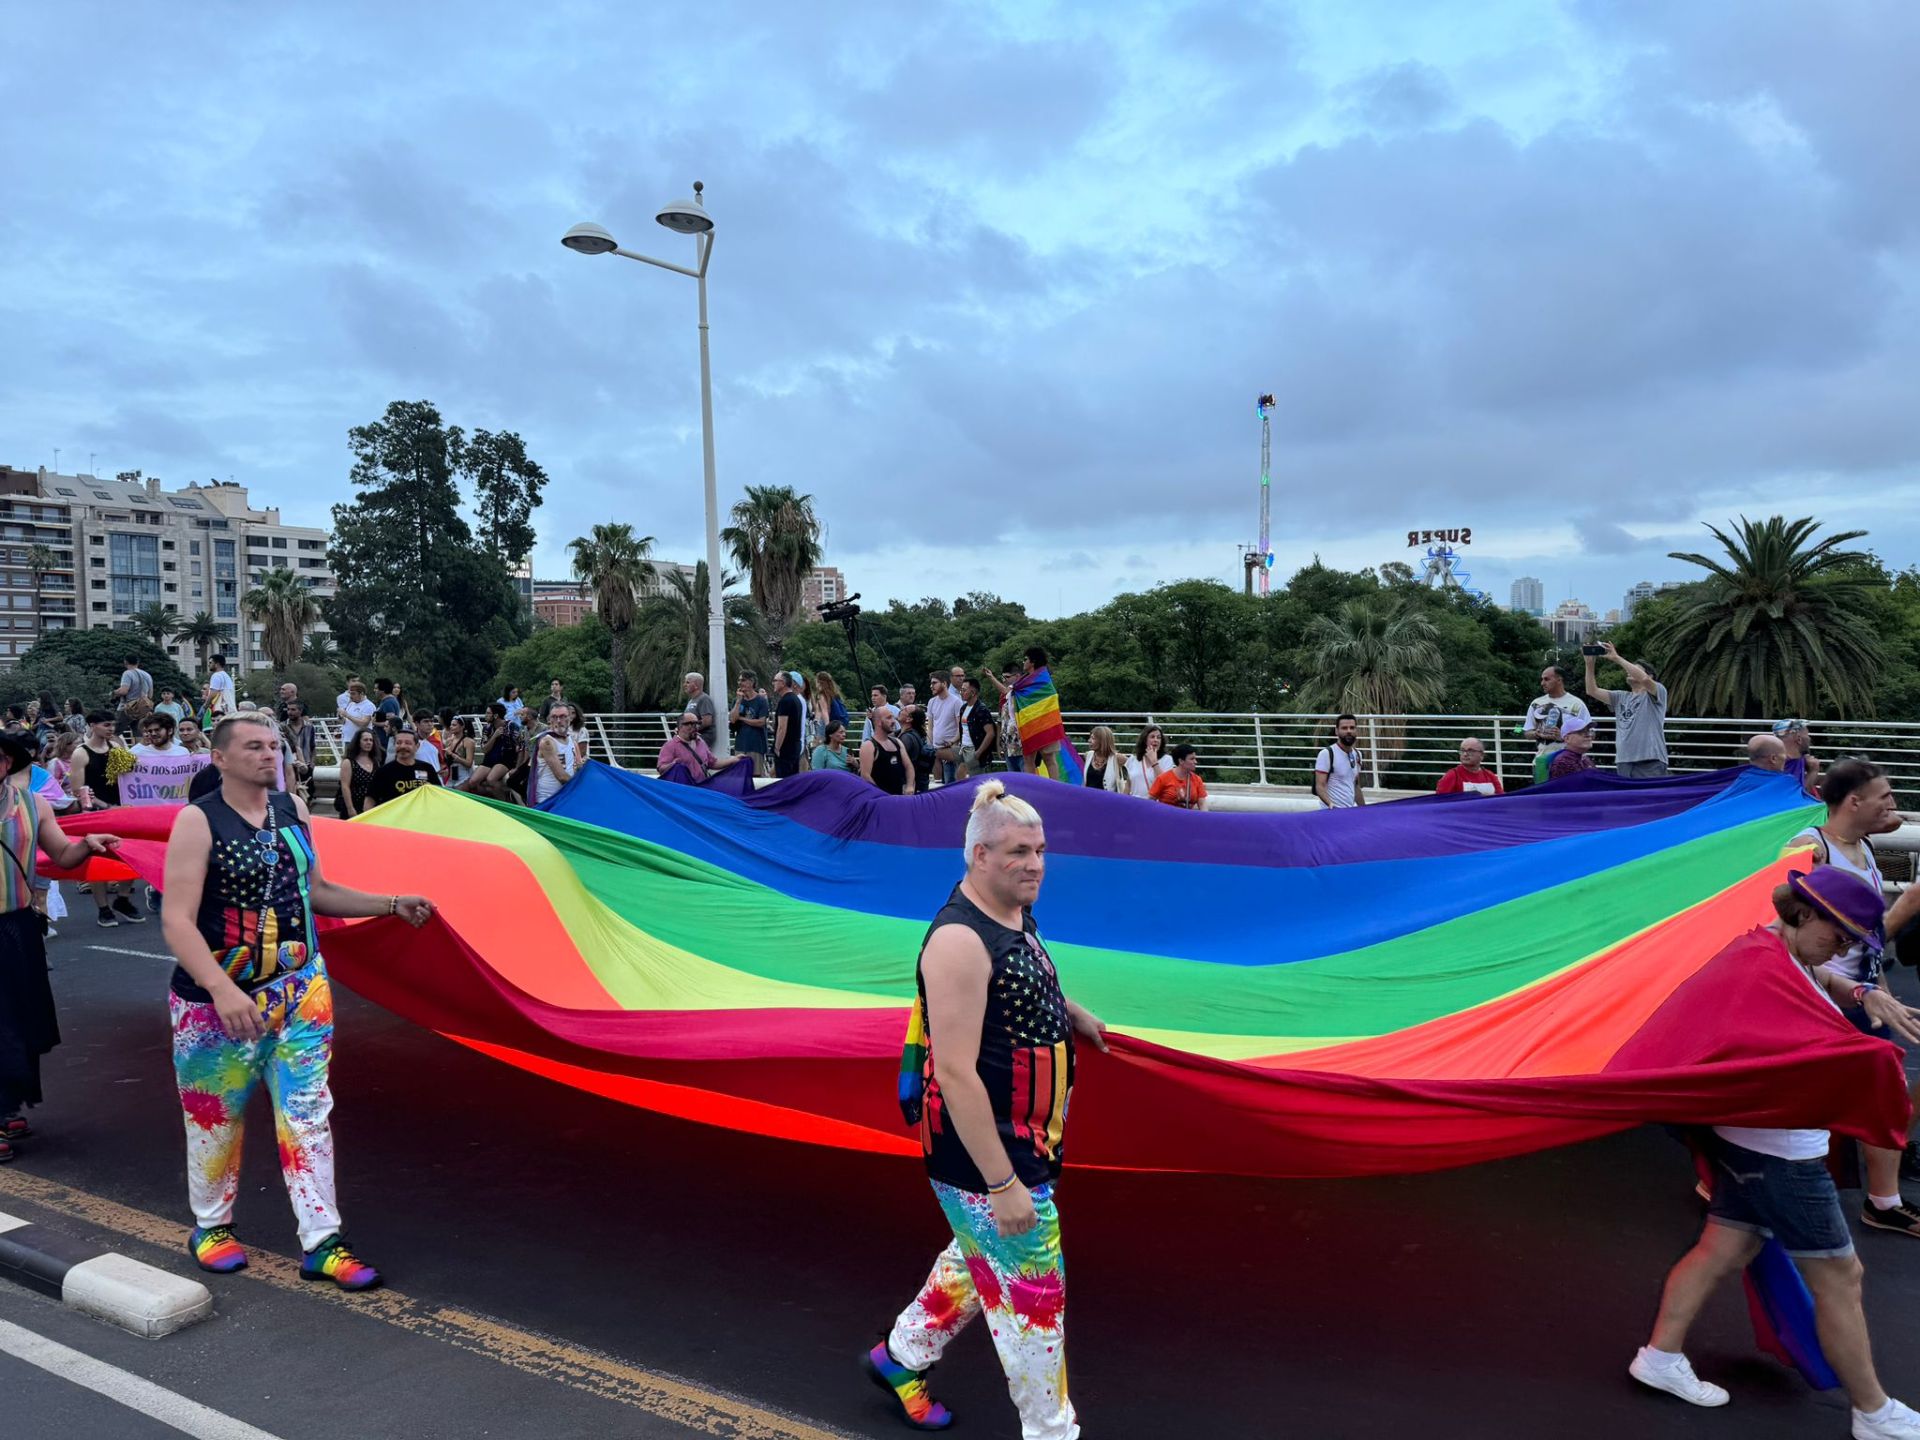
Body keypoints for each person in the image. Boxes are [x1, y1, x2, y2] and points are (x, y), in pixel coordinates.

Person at [1628, 868, 1920, 1439]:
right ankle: (1873, 1411)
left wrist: (1862, 990)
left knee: (1721, 1250)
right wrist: (1868, 1061)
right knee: (1841, 1274)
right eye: (1839, 935)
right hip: (1781, 1156)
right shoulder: (1761, 968)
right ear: (1805, 912)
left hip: (1753, 1148)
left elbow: (1817, 976)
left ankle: (1659, 1357)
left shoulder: (1771, 949)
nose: (1841, 949)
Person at [865, 781, 1105, 1438]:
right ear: (978, 856)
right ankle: (1051, 1431)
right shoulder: (958, 943)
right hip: (987, 1156)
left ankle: (903, 1356)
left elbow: (1024, 983)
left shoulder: (1011, 912)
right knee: (1034, 1300)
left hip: (1025, 1142)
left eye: (1041, 850)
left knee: (979, 1256)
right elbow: (958, 1072)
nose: (1035, 864)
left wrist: (1071, 1014)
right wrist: (1002, 1183)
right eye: (1017, 852)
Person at [160, 711, 431, 1288]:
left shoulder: (294, 810)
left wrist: (389, 903)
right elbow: (176, 921)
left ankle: (323, 1242)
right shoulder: (197, 820)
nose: (269, 754)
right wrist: (221, 989)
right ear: (221, 758)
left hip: (302, 993)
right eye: (254, 746)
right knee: (216, 1118)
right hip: (216, 1008)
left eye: (273, 745)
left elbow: (318, 892)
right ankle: (211, 1227)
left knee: (308, 1116)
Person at [1790, 759, 1920, 1231]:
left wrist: (1880, 989)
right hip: (1818, 996)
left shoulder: (1864, 848)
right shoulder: (1810, 847)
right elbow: (1784, 924)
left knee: (1885, 1089)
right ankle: (1729, 1183)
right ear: (1854, 801)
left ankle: (1883, 1202)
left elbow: (1866, 933)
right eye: (1884, 795)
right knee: (1802, 1097)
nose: (1892, 803)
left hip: (1858, 994)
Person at [0, 731, 125, 1161]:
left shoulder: (32, 805)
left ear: (8, 763)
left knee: (19, 1020)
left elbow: (63, 856)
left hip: (16, 928)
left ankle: (5, 1106)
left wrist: (88, 845)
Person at [1585, 641, 1669, 779]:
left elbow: (1643, 678)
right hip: (1624, 760)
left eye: (1634, 669)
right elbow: (1592, 690)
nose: (1628, 671)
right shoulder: (1620, 697)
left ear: (1651, 676)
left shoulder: (1657, 692)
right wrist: (1589, 664)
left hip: (1650, 759)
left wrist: (1617, 658)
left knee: (1649, 799)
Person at [1524, 665, 1590, 782]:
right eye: (1542, 679)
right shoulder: (1536, 703)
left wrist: (1563, 737)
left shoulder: (1576, 704)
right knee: (1544, 797)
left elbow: (1590, 733)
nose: (1542, 683)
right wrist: (1538, 733)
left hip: (1571, 761)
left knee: (1570, 795)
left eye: (1546, 679)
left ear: (1559, 680)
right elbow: (1527, 732)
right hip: (1542, 762)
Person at [368, 730, 442, 808]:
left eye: (408, 743)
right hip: (394, 818)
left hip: (422, 817)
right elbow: (369, 801)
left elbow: (439, 794)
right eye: (398, 743)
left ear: (417, 746)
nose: (402, 746)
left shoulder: (427, 768)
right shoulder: (383, 772)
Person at [462, 705, 518, 801]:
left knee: (491, 779)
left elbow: (518, 746)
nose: (485, 715)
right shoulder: (487, 728)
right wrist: (494, 736)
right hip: (489, 759)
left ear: (495, 715)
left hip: (505, 760)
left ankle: (505, 802)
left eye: (488, 713)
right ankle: (493, 795)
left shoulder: (511, 726)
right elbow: (484, 750)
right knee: (472, 782)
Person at [1314, 714, 1367, 808]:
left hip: (1349, 812)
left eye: (1352, 728)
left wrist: (1364, 810)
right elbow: (1319, 786)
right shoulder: (1327, 754)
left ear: (1356, 730)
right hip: (1331, 813)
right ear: (1336, 731)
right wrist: (1331, 805)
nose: (1349, 731)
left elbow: (1355, 785)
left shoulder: (1358, 755)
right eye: (1344, 728)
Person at [860, 704, 914, 796]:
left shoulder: (897, 742)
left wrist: (909, 786)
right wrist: (881, 795)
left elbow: (909, 767)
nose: (893, 721)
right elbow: (865, 776)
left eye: (893, 717)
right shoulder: (869, 746)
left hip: (898, 798)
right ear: (878, 722)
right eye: (889, 718)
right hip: (879, 800)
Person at [925, 672, 966, 788]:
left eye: (934, 683)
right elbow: (931, 727)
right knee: (938, 786)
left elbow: (961, 727)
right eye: (931, 683)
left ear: (944, 683)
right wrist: (930, 745)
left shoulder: (956, 701)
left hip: (950, 749)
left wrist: (953, 742)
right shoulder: (931, 702)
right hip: (936, 750)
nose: (931, 686)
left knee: (950, 783)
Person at [532, 703, 578, 803]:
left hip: (565, 795)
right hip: (549, 800)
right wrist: (581, 787)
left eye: (562, 716)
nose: (558, 720)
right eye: (554, 717)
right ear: (549, 720)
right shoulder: (547, 742)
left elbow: (577, 766)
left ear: (569, 718)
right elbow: (561, 777)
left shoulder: (571, 740)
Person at [729, 672, 770, 776]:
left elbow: (761, 722)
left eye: (743, 680)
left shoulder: (761, 701)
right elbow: (733, 719)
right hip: (740, 745)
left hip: (756, 746)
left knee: (755, 775)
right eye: (739, 680)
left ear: (751, 682)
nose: (739, 683)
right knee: (740, 775)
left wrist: (742, 719)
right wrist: (738, 701)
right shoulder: (737, 700)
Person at [1147, 743, 1210, 810]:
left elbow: (1202, 804)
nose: (1195, 762)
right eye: (1192, 759)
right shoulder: (1163, 778)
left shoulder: (1197, 780)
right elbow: (1150, 801)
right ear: (1181, 761)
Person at [657, 712, 716, 781]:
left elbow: (713, 763)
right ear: (681, 726)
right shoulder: (670, 746)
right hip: (683, 789)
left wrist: (731, 761)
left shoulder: (701, 742)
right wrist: (673, 765)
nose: (696, 727)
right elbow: (661, 769)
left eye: (697, 724)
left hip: (701, 787)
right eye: (691, 724)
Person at [336, 728, 381, 818]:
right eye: (365, 740)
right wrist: (350, 808)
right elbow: (345, 787)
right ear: (358, 742)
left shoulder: (375, 762)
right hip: (354, 805)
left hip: (371, 807)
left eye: (371, 740)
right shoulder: (348, 762)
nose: (368, 742)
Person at [1437, 738, 1504, 796]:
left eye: (1470, 751)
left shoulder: (1490, 776)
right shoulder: (1452, 776)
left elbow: (1501, 800)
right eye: (1463, 750)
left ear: (1482, 755)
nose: (1465, 754)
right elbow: (1440, 802)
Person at [771, 672, 807, 780]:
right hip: (795, 746)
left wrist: (777, 748)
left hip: (785, 749)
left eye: (775, 681)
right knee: (792, 780)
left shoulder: (785, 701)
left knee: (783, 781)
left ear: (782, 683)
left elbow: (782, 727)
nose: (773, 683)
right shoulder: (796, 700)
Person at [958, 678, 996, 780]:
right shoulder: (963, 708)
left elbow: (990, 733)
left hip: (974, 749)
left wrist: (978, 752)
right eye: (961, 690)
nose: (961, 692)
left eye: (964, 690)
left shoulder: (981, 709)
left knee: (976, 782)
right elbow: (963, 730)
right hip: (963, 749)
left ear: (973, 692)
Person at [1775, 718, 1823, 797]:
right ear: (1799, 739)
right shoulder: (1784, 765)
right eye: (1807, 735)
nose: (1809, 739)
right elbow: (1798, 799)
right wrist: (1813, 772)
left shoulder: (1797, 759)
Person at [280, 701, 316, 800]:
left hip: (306, 765)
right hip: (289, 765)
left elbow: (313, 746)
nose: (289, 712)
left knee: (307, 795)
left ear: (300, 711)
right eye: (288, 709)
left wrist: (312, 764)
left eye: (293, 709)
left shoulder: (309, 727)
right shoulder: (282, 726)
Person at [1125, 726, 1173, 798]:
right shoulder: (1133, 759)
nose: (1156, 740)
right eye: (1152, 737)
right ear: (1145, 740)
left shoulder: (1167, 760)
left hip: (1154, 805)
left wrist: (1154, 762)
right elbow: (1128, 785)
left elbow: (1165, 784)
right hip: (1134, 803)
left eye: (1158, 737)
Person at [1546, 714, 1597, 780]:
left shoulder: (1583, 758)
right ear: (1567, 739)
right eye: (1581, 732)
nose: (1588, 735)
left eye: (1589, 731)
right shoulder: (1563, 762)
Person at [901, 705, 936, 794]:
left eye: (904, 710)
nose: (901, 710)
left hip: (909, 785)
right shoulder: (915, 735)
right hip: (918, 784)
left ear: (909, 719)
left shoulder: (907, 738)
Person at [1080, 725, 1127, 792]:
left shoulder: (1117, 758)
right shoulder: (1088, 755)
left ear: (1102, 741)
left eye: (1093, 738)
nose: (1089, 741)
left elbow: (1135, 770)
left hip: (1108, 800)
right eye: (1090, 738)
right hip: (1088, 799)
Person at [682, 673, 718, 751]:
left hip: (701, 737)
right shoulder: (691, 700)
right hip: (691, 736)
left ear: (696, 685)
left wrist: (688, 730)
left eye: (687, 682)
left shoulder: (704, 699)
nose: (684, 685)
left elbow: (707, 721)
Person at [336, 678, 374, 749]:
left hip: (360, 741)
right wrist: (341, 717)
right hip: (348, 739)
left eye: (353, 694)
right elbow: (344, 722)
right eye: (350, 693)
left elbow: (364, 723)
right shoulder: (351, 704)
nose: (351, 696)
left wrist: (347, 715)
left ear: (361, 694)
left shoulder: (368, 705)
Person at [441, 717, 475, 789]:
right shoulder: (450, 740)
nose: (451, 727)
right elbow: (446, 759)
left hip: (464, 775)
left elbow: (469, 763)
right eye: (451, 725)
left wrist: (453, 755)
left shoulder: (468, 741)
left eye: (454, 725)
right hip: (451, 775)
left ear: (462, 727)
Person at [203, 654, 235, 724]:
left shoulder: (216, 675)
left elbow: (213, 693)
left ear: (217, 664)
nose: (209, 665)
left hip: (220, 711)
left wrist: (206, 705)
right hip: (230, 709)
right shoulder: (226, 676)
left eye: (211, 663)